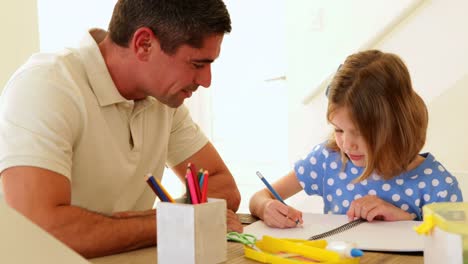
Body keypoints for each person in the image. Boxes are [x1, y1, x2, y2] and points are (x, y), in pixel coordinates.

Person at [0, 0, 242, 258]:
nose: (206, 81)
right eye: (197, 64)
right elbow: (39, 229)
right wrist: (173, 222)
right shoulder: (46, 85)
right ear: (144, 44)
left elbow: (223, 187)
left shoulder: (161, 99)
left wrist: (146, 223)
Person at [249, 50, 463, 228]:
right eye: (339, 130)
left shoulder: (439, 186)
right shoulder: (328, 159)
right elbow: (261, 196)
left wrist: (406, 221)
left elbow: (454, 254)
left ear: (395, 125)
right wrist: (266, 208)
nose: (347, 145)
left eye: (360, 132)